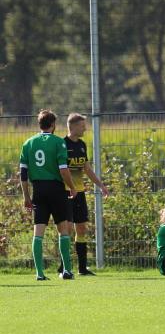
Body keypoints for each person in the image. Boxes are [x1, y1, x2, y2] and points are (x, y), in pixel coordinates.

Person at [19, 110, 77, 281]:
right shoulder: (59, 142)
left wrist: (26, 197)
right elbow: (63, 170)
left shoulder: (28, 143)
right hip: (57, 190)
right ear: (53, 125)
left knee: (38, 232)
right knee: (63, 230)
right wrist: (72, 187)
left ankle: (39, 273)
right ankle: (66, 271)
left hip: (38, 190)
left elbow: (23, 174)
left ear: (40, 124)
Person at [55, 113, 109, 276]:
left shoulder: (82, 145)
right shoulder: (62, 144)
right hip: (64, 192)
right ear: (72, 127)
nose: (85, 128)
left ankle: (82, 268)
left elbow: (86, 168)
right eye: (82, 125)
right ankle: (64, 266)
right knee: (67, 229)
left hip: (80, 193)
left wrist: (101, 185)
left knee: (82, 228)